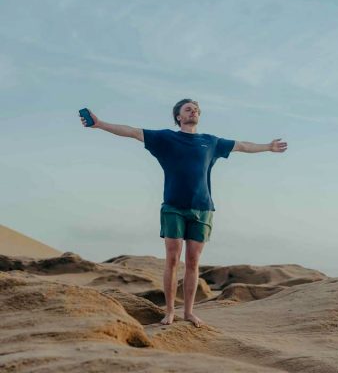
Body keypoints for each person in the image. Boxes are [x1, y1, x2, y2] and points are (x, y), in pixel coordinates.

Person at [79, 99, 288, 328]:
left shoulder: (211, 142)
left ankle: (188, 312)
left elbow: (242, 146)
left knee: (193, 262)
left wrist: (267, 147)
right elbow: (131, 132)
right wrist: (99, 124)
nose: (194, 112)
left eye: (196, 109)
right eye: (188, 109)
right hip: (173, 207)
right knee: (172, 258)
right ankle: (169, 311)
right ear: (178, 116)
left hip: (203, 208)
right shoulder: (166, 138)